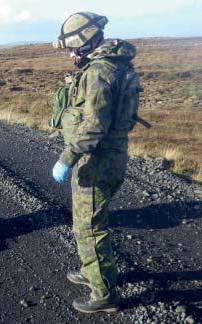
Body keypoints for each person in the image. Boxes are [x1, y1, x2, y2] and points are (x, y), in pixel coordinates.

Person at [51, 12, 143, 313]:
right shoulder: (117, 65)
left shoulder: (99, 72)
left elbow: (93, 128)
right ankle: (92, 271)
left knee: (89, 228)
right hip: (111, 158)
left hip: (96, 162)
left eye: (70, 48)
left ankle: (103, 294)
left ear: (83, 41)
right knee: (88, 222)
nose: (68, 54)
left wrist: (66, 158)